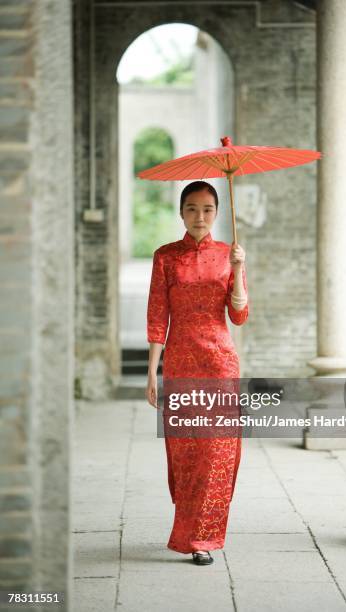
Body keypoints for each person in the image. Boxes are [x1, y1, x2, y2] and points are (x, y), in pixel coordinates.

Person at [145, 180, 249, 566]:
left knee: (218, 451)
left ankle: (202, 538)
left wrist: (238, 271)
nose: (199, 216)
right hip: (180, 360)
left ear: (217, 213)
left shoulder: (229, 255)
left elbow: (239, 314)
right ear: (181, 212)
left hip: (220, 361)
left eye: (207, 209)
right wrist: (153, 372)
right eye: (191, 208)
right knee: (185, 452)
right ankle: (189, 523)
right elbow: (158, 315)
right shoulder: (165, 257)